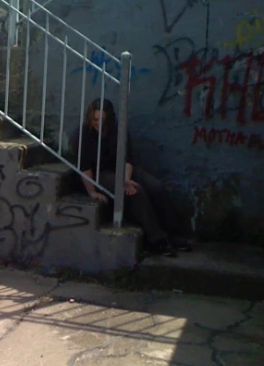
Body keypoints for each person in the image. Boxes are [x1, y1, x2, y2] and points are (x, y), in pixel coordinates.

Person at [71, 98, 191, 256]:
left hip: (122, 169)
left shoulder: (118, 130)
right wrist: (92, 192)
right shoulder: (84, 134)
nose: (98, 124)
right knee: (137, 193)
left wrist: (126, 179)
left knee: (157, 188)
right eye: (95, 119)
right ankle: (156, 240)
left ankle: (174, 235)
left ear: (110, 119)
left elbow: (128, 159)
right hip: (99, 173)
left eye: (103, 120)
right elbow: (84, 167)